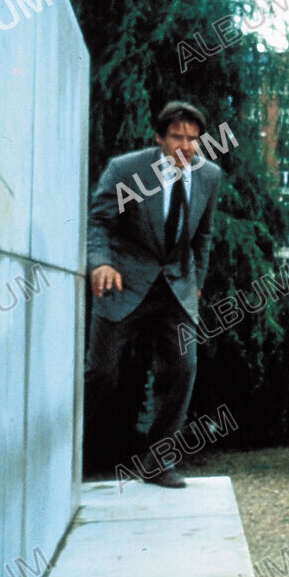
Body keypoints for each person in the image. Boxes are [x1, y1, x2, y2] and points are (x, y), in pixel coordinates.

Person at [84, 101, 223, 488]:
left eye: (193, 139)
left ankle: (157, 462)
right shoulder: (127, 170)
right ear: (159, 137)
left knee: (183, 368)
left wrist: (197, 282)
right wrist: (100, 263)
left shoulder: (209, 175)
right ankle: (66, 452)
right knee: (102, 372)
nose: (185, 146)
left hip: (175, 288)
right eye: (177, 136)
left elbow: (204, 236)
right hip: (123, 282)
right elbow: (98, 220)